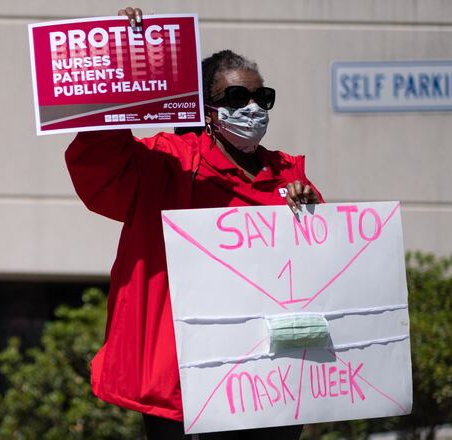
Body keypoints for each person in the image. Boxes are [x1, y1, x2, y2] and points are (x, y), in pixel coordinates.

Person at [65, 7, 323, 440]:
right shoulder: (169, 162)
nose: (254, 108)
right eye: (238, 99)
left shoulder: (287, 174)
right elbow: (101, 158)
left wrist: (313, 208)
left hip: (269, 378)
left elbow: (323, 258)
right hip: (184, 380)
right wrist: (121, 57)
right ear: (208, 110)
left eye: (264, 98)